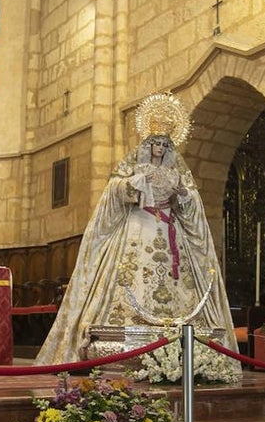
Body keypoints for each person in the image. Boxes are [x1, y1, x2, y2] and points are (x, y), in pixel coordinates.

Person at [36, 93, 240, 370]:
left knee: (178, 280)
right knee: (131, 274)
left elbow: (190, 204)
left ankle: (182, 333)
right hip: (138, 226)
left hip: (170, 230)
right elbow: (114, 190)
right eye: (155, 143)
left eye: (164, 144)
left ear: (170, 147)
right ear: (147, 144)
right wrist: (131, 185)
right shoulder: (135, 166)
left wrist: (183, 194)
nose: (159, 147)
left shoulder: (176, 173)